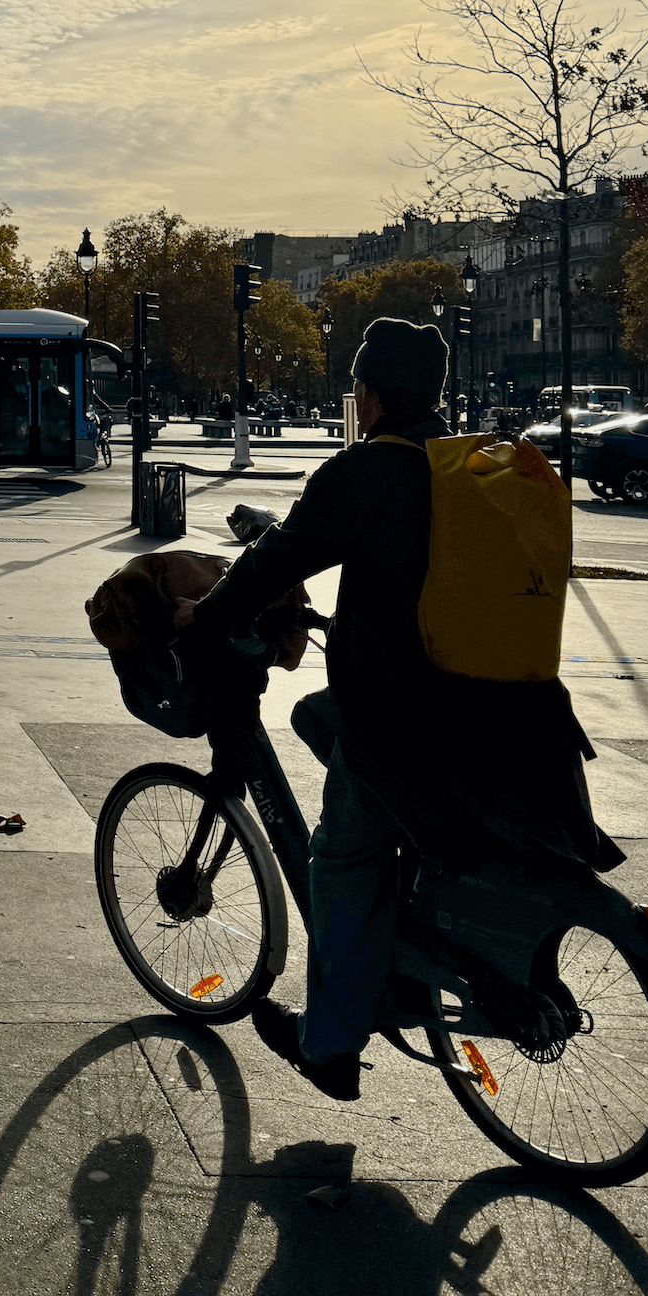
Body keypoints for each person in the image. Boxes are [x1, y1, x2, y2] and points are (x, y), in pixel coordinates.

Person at [174, 315, 452, 1103]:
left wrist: (210, 613)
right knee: (313, 719)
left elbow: (280, 558)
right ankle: (391, 928)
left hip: (401, 714)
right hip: (497, 708)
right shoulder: (470, 466)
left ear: (367, 392)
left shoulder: (362, 472)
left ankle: (328, 1046)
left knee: (338, 857)